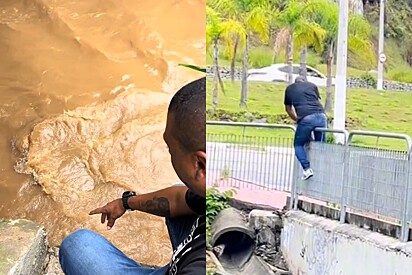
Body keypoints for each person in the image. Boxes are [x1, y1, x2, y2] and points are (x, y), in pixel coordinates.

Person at [59, 77, 206, 275]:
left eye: (171, 149)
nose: (168, 153)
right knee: (183, 191)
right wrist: (125, 203)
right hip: (190, 252)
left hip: (187, 265)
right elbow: (181, 199)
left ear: (200, 164)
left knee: (77, 246)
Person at [284, 76, 327, 180]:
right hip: (322, 116)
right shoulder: (312, 86)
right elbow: (316, 100)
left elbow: (288, 109)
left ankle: (307, 169)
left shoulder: (290, 89)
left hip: (306, 117)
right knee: (320, 144)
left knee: (298, 144)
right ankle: (322, 168)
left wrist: (296, 119)